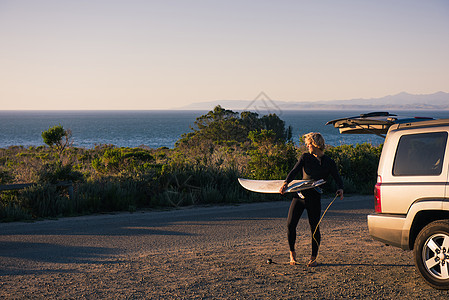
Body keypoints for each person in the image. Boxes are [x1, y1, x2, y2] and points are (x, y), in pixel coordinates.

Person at [279, 132, 344, 267]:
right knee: (290, 225)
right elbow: (294, 170)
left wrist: (340, 188)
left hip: (314, 198)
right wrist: (286, 183)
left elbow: (337, 177)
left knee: (314, 228)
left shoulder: (329, 162)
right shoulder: (305, 157)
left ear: (315, 144)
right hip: (300, 196)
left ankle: (313, 258)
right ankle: (292, 254)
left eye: (308, 144)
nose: (307, 146)